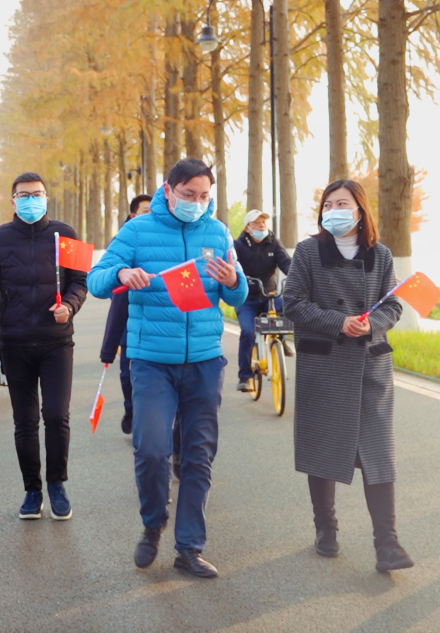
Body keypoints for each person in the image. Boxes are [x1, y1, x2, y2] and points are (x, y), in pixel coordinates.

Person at [88, 158, 247, 579]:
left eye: (204, 196)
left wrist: (233, 281)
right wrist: (122, 272)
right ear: (168, 190)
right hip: (152, 362)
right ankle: (153, 523)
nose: (197, 203)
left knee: (198, 454)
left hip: (204, 361)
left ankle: (190, 548)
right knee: (152, 449)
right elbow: (96, 279)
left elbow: (238, 293)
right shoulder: (138, 230)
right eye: (189, 194)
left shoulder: (217, 232)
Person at [283, 179, 413, 573]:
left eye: (343, 203)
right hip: (324, 364)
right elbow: (293, 303)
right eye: (328, 204)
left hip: (370, 365)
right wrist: (339, 322)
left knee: (378, 453)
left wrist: (371, 324)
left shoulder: (381, 254)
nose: (334, 210)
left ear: (360, 210)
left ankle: (387, 544)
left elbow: (393, 306)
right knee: (323, 447)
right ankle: (325, 527)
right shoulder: (308, 252)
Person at [0, 172, 88, 521]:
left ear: (46, 197)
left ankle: (57, 483)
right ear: (13, 201)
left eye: (37, 194)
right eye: (24, 195)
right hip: (15, 342)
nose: (31, 200)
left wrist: (69, 306)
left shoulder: (66, 233)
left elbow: (81, 283)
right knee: (24, 421)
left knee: (56, 415)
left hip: (57, 341)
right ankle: (32, 490)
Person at [100, 194, 151, 434]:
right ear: (133, 215)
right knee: (127, 372)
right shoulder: (121, 241)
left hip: (156, 320)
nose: (151, 215)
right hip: (127, 317)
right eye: (145, 211)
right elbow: (104, 278)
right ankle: (131, 410)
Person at [233, 209, 292, 391]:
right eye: (257, 223)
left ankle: (281, 340)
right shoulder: (238, 246)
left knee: (287, 308)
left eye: (263, 222)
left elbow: (286, 263)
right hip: (246, 298)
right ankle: (244, 377)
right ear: (248, 228)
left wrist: (297, 276)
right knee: (248, 333)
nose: (261, 225)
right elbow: (233, 267)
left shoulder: (273, 243)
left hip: (269, 295)